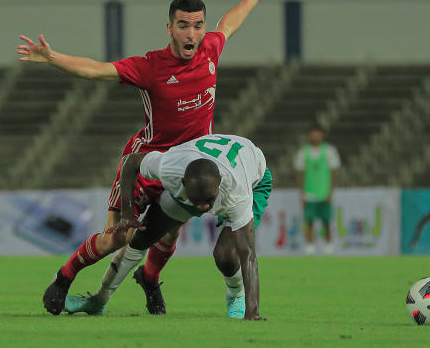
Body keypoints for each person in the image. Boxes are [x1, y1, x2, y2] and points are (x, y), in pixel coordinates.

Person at [22, 0, 279, 316]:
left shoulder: (209, 51)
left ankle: (150, 282)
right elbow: (97, 70)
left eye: (198, 25)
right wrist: (52, 58)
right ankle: (64, 277)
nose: (192, 34)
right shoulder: (150, 67)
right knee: (119, 237)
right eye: (184, 26)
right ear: (170, 28)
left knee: (168, 235)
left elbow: (230, 23)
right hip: (147, 159)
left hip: (191, 167)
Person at [43, 133, 271, 320]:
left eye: (208, 202)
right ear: (181, 183)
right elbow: (130, 162)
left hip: (253, 179)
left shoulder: (236, 193)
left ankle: (236, 295)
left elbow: (248, 254)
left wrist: (254, 312)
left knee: (226, 255)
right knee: (141, 237)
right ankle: (99, 301)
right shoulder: (170, 167)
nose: (202, 208)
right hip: (202, 172)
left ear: (219, 186)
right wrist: (127, 212)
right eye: (196, 201)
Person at [294, 125, 341, 255]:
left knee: (326, 221)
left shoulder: (330, 151)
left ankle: (328, 246)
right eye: (313, 134)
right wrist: (302, 193)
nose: (315, 136)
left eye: (317, 134)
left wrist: (331, 192)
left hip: (324, 193)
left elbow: (334, 172)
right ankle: (310, 247)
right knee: (309, 222)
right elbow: (300, 174)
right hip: (309, 194)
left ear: (322, 136)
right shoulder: (303, 152)